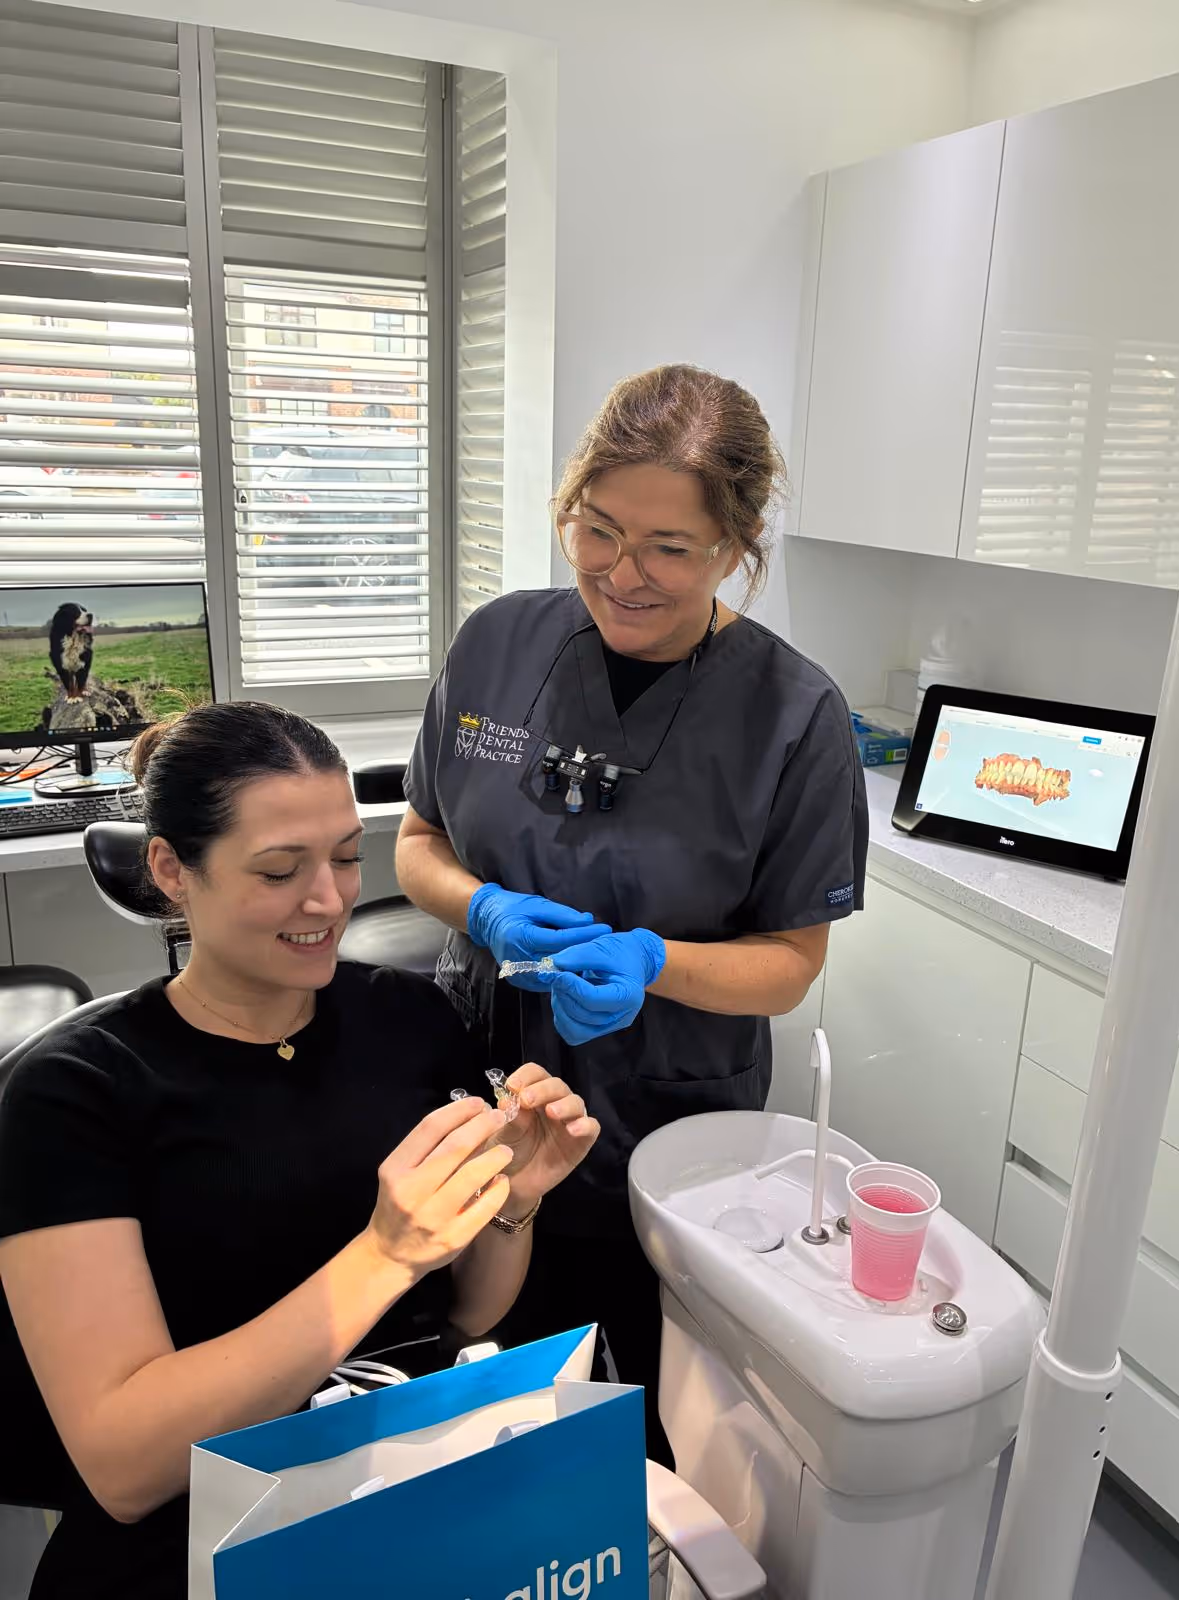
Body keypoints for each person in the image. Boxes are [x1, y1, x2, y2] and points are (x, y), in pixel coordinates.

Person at [0, 702, 598, 1600]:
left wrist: (513, 1202)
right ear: (172, 869)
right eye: (280, 870)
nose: (329, 899)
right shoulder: (73, 1092)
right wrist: (384, 1254)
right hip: (201, 1532)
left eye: (349, 857)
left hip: (410, 1476)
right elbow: (125, 1468)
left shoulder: (411, 1019)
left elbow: (470, 1320)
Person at [393, 364, 868, 1457]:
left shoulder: (796, 716)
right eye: (597, 529)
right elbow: (419, 845)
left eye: (671, 548)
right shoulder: (496, 646)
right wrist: (488, 907)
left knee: (658, 1413)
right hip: (481, 1089)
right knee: (483, 1400)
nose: (623, 573)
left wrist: (655, 961)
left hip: (669, 1125)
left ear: (738, 546)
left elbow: (792, 960)